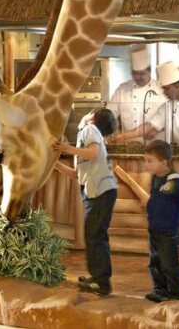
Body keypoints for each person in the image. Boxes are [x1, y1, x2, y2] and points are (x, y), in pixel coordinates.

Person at [52, 108, 118, 296]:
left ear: (93, 117)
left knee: (94, 236)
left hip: (100, 192)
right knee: (94, 235)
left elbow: (93, 153)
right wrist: (54, 165)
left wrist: (65, 148)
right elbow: (77, 174)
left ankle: (101, 282)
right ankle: (98, 279)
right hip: (98, 192)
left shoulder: (89, 129)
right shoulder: (87, 135)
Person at [143, 140, 179, 302]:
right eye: (146, 161)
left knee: (170, 265)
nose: (147, 165)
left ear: (163, 162)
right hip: (154, 230)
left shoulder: (176, 180)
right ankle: (160, 290)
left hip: (169, 232)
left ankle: (177, 295)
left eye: (150, 161)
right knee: (155, 263)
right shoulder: (155, 178)